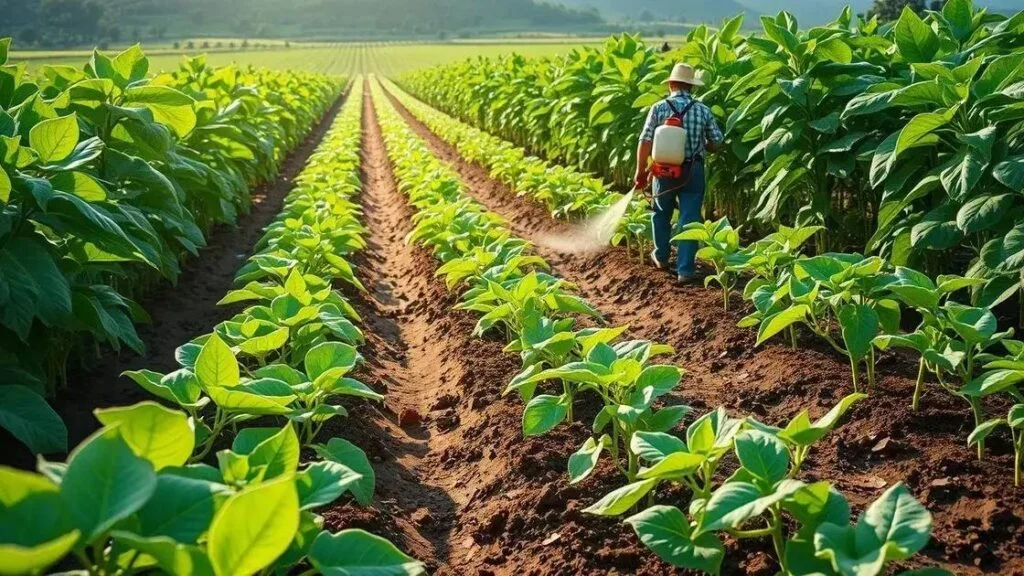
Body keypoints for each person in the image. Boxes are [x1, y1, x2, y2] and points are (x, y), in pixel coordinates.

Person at [634, 63, 724, 284]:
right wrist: (704, 145)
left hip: (663, 170)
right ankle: (685, 270)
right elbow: (718, 141)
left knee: (661, 212)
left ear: (672, 84)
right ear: (691, 87)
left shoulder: (658, 108)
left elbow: (645, 140)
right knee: (690, 218)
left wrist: (640, 171)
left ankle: (662, 257)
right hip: (693, 170)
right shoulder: (702, 110)